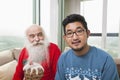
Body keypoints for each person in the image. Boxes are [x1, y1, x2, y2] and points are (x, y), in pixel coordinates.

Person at [55, 14, 119, 80]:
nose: (75, 37)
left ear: (88, 33)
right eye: (69, 33)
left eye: (79, 31)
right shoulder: (63, 59)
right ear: (65, 38)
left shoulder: (106, 60)